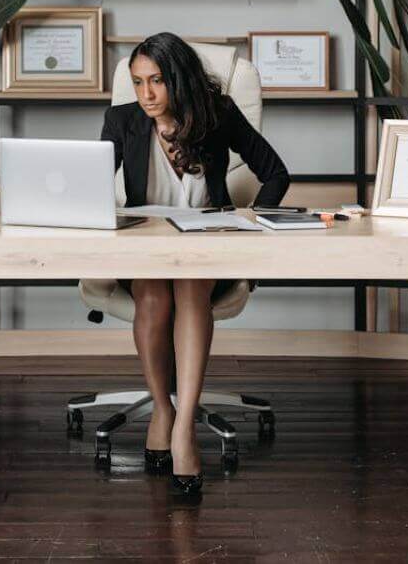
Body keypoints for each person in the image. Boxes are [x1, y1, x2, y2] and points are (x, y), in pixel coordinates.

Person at [100, 32, 290, 494]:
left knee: (189, 288)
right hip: (146, 247)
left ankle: (184, 425)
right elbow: (90, 186)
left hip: (208, 243)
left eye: (157, 82)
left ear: (179, 80)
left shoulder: (217, 114)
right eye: (138, 82)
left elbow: (276, 173)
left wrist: (249, 225)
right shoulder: (121, 120)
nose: (145, 94)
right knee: (152, 294)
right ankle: (163, 409)